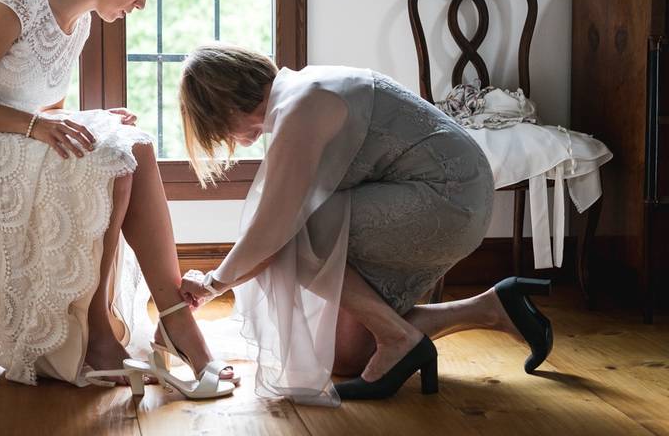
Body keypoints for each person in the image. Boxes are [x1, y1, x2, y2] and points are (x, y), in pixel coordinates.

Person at [0, 0, 234, 391]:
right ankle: (108, 329)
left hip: (15, 134)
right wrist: (38, 125)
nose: (141, 3)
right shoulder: (17, 3)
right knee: (117, 159)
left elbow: (49, 109)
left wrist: (93, 119)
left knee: (134, 146)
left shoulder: (82, 23)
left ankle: (168, 322)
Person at [176, 44, 554, 406]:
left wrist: (211, 285)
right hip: (455, 199)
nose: (226, 140)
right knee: (347, 357)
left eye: (217, 128)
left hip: (448, 201)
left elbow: (272, 231)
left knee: (294, 235)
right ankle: (491, 308)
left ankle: (397, 335)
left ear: (222, 105)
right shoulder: (301, 92)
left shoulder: (302, 105)